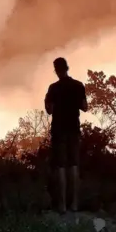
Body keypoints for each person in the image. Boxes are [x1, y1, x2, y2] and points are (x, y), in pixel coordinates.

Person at [44, 57, 88, 213]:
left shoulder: (53, 88)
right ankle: (75, 204)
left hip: (59, 130)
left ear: (56, 70)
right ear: (67, 68)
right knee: (74, 165)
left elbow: (49, 110)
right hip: (73, 129)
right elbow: (85, 107)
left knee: (61, 166)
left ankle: (62, 206)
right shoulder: (78, 86)